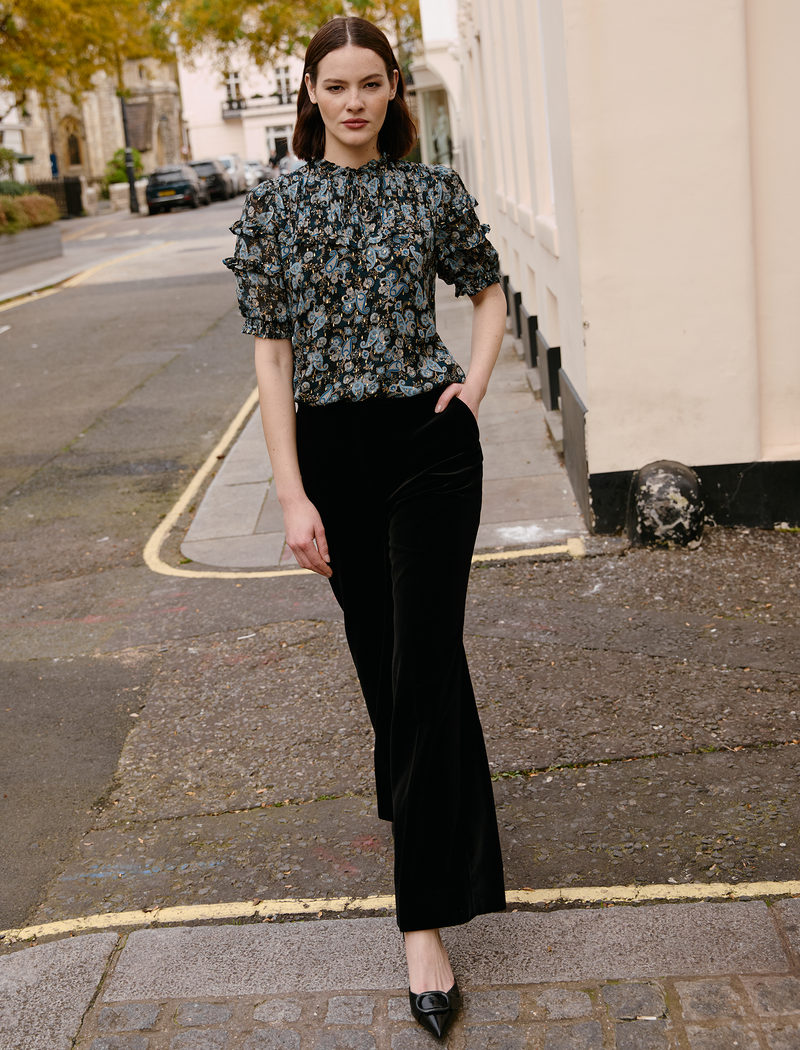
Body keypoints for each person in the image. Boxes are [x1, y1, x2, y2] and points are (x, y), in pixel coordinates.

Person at [224, 16, 507, 1040]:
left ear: (395, 93)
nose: (352, 101)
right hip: (333, 458)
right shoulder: (276, 204)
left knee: (421, 668)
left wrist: (469, 391)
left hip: (429, 447)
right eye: (334, 84)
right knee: (388, 668)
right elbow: (269, 362)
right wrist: (290, 497)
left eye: (370, 83)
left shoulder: (430, 191)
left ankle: (423, 926)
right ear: (310, 93)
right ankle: (444, 836)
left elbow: (485, 291)